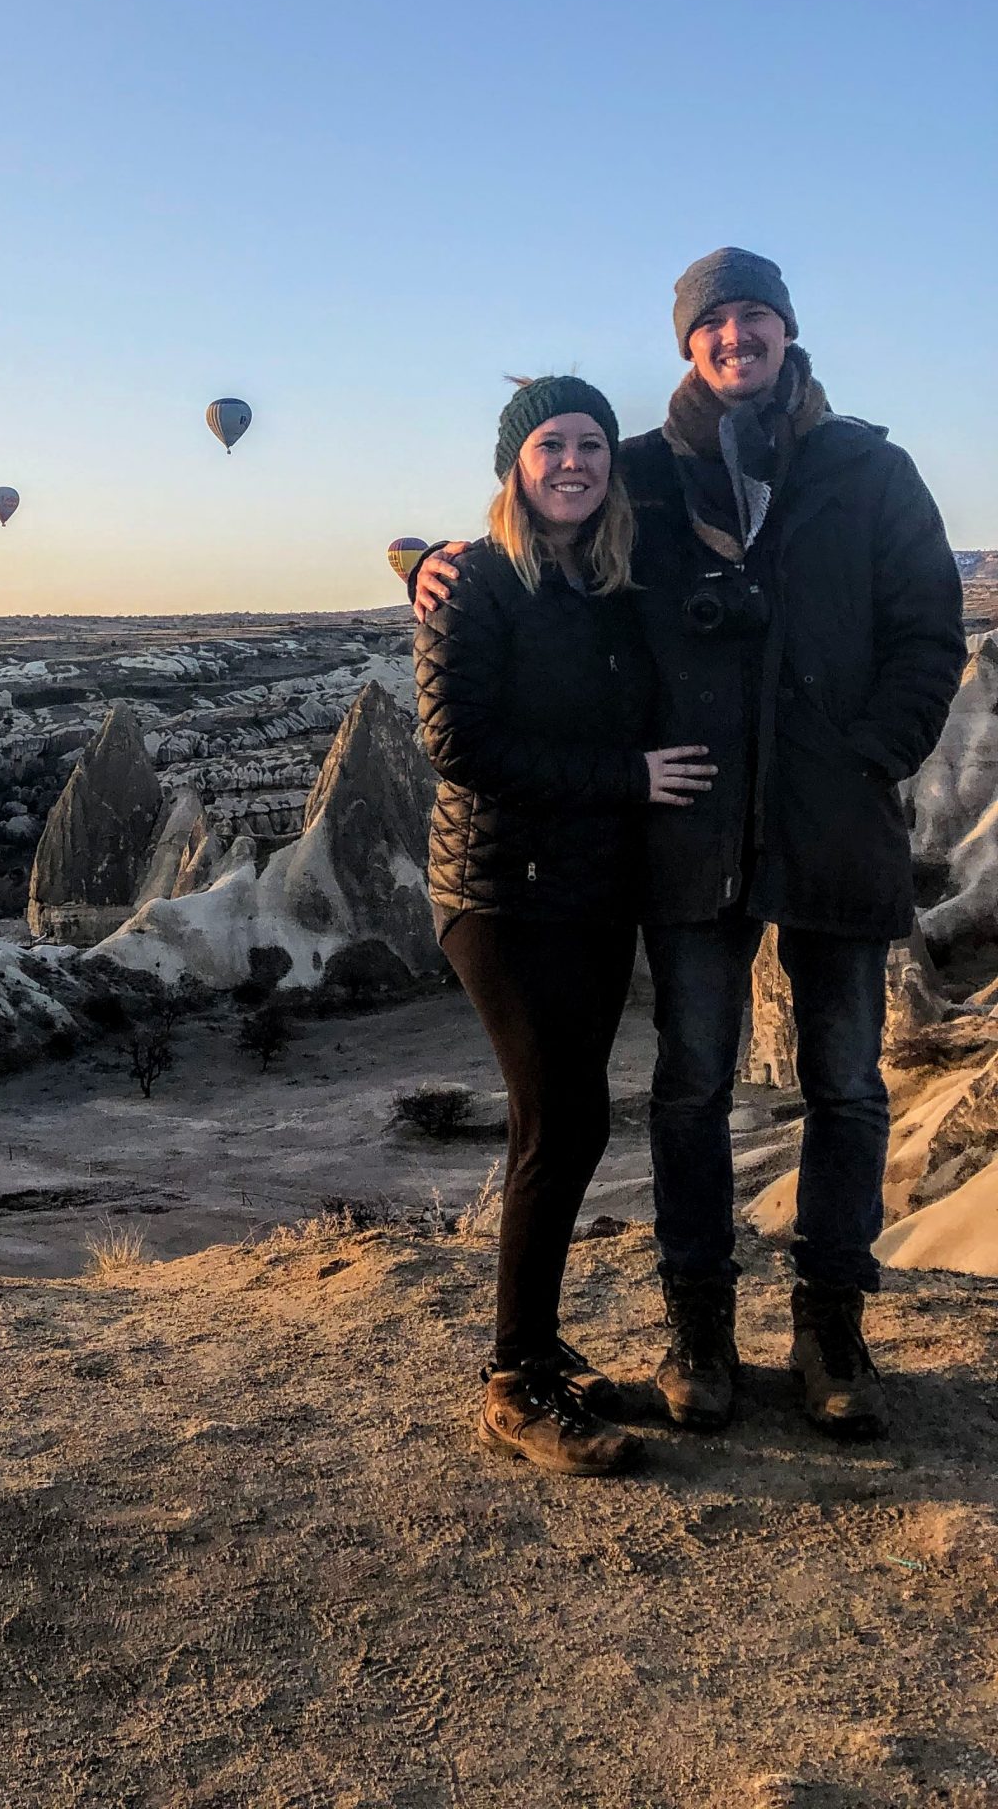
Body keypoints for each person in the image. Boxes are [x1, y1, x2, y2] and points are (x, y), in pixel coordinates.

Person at [413, 252, 964, 1439]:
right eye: (711, 323)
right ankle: (698, 1333)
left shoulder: (867, 468)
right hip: (690, 832)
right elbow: (539, 554)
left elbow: (932, 626)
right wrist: (433, 565)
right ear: (687, 346)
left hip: (832, 826)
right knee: (691, 1088)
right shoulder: (644, 476)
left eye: (754, 316)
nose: (735, 337)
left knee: (849, 1089)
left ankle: (832, 1335)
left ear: (787, 328)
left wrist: (876, 749)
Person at [415, 376, 714, 1476]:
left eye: (592, 442)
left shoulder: (612, 577)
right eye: (551, 444)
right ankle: (513, 1382)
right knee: (558, 1120)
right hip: (498, 893)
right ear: (515, 465)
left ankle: (533, 1345)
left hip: (590, 890)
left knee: (576, 1121)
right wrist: (629, 776)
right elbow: (461, 744)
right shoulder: (475, 581)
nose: (575, 461)